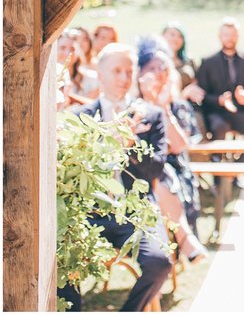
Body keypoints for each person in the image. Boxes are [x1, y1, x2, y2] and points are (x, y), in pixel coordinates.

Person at [57, 44, 172, 312]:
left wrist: (131, 147)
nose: (123, 78)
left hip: (136, 211)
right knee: (61, 258)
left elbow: (157, 169)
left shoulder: (151, 116)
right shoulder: (79, 117)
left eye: (129, 71)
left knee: (160, 261)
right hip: (88, 212)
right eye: (117, 70)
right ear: (100, 72)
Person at [136, 38, 207, 263]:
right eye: (151, 69)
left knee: (161, 173)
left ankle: (180, 241)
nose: (158, 73)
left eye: (163, 68)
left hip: (175, 174)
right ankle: (185, 240)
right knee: (155, 172)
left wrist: (162, 107)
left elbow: (177, 145)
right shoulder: (131, 107)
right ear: (139, 74)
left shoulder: (178, 106)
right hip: (137, 174)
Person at [196, 18, 244, 151]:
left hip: (242, 112)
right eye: (226, 34)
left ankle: (238, 165)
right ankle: (218, 166)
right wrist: (219, 100)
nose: (230, 38)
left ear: (238, 36)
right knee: (219, 128)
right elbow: (202, 95)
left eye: (233, 34)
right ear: (220, 36)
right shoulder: (207, 62)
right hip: (217, 113)